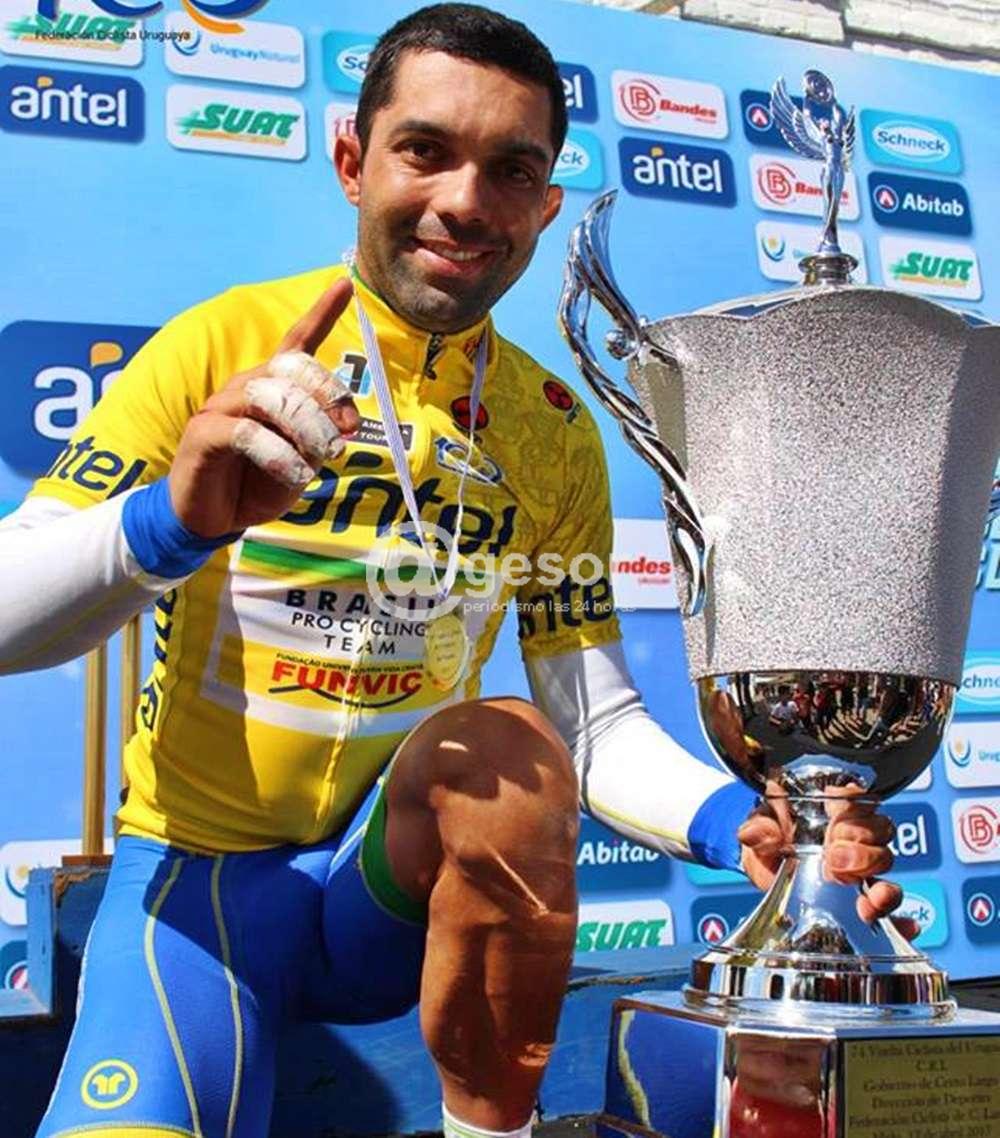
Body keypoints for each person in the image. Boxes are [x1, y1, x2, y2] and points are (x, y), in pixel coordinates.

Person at [0, 7, 902, 1138]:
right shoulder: (225, 347)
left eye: (510, 170)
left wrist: (743, 823)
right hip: (197, 894)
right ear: (351, 161)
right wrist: (165, 525)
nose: (466, 202)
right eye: (425, 150)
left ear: (544, 207)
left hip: (384, 893)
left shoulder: (549, 426)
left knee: (510, 750)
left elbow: (592, 723)